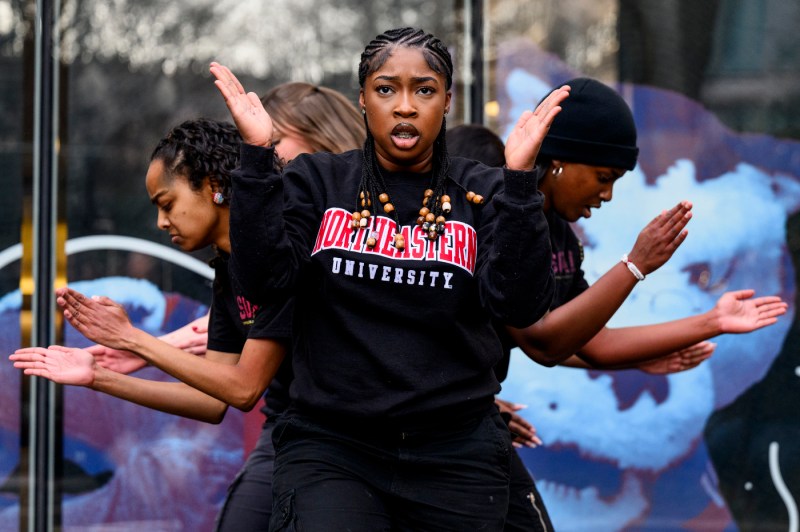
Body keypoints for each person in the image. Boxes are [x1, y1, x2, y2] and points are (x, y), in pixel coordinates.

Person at [205, 26, 569, 530]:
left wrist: (522, 182)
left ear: (447, 102)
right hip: (333, 448)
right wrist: (257, 157)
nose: (404, 106)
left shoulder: (481, 190)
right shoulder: (317, 181)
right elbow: (263, 282)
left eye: (424, 89)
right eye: (385, 89)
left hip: (454, 454)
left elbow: (520, 305)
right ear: (362, 99)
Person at [11, 82, 368, 531]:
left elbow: (241, 388)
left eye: (168, 204)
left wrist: (133, 339)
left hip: (346, 442)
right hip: (297, 431)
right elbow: (212, 399)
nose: (161, 222)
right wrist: (97, 377)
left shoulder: (280, 254)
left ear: (216, 186)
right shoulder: (228, 269)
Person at [446, 77, 787, 531]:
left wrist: (711, 320)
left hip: (473, 425)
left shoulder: (559, 236)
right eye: (603, 178)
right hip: (437, 434)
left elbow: (593, 342)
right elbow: (542, 342)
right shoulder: (501, 219)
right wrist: (634, 265)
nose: (606, 196)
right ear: (561, 160)